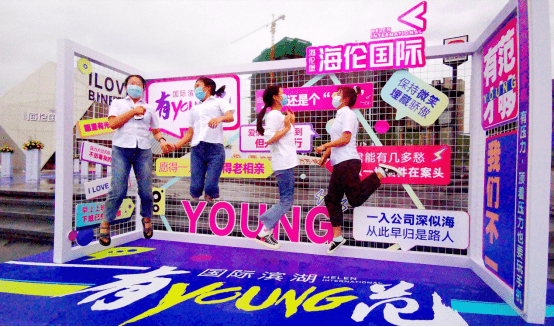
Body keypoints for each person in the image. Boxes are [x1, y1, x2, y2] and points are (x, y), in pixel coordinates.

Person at [315, 86, 403, 254]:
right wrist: (325, 155)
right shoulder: (339, 115)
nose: (334, 95)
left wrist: (325, 145)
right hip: (340, 163)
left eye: (338, 93)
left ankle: (380, 173)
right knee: (331, 199)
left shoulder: (348, 114)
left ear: (345, 99)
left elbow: (346, 139)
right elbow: (337, 140)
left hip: (347, 163)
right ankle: (337, 237)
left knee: (354, 199)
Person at [99, 75, 174, 246]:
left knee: (146, 191)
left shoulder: (150, 108)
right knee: (118, 190)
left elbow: (155, 131)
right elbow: (113, 124)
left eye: (139, 84)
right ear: (126, 86)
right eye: (132, 83)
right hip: (121, 150)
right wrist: (133, 111)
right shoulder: (118, 103)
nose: (135, 86)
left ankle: (146, 218)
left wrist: (162, 141)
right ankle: (105, 222)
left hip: (143, 151)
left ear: (143, 89)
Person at [169, 77, 235, 203]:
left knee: (210, 186)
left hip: (215, 148)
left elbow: (230, 117)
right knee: (195, 186)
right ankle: (194, 207)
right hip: (197, 149)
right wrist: (176, 146)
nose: (196, 89)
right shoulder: (194, 109)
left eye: (198, 85)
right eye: (195, 87)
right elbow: (189, 133)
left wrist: (219, 118)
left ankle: (210, 202)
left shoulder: (218, 102)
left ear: (208, 87)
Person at [254, 85, 298, 249]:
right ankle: (264, 229)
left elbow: (284, 137)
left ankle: (267, 231)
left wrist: (290, 123)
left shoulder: (278, 115)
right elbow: (269, 138)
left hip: (286, 162)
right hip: (283, 163)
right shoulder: (273, 115)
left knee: (286, 200)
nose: (285, 95)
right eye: (282, 93)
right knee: (286, 201)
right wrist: (287, 127)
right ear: (275, 97)